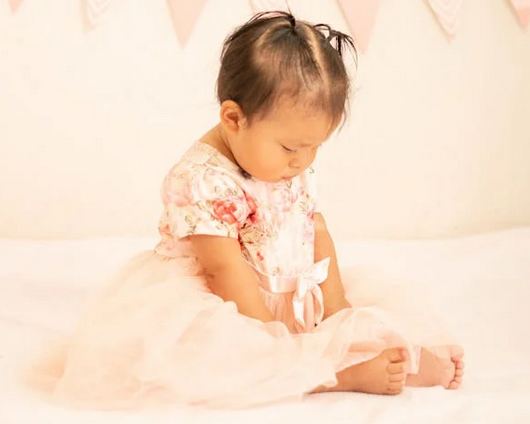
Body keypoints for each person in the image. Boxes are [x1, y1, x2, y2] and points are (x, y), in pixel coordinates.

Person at [21, 10, 464, 410]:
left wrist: (339, 313)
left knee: (358, 322)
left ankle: (385, 356)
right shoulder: (201, 180)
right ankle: (334, 377)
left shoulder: (286, 161)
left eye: (314, 147)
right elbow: (223, 271)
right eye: (291, 147)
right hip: (233, 304)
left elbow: (314, 228)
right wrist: (273, 345)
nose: (302, 162)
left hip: (291, 294)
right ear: (234, 118)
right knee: (220, 361)